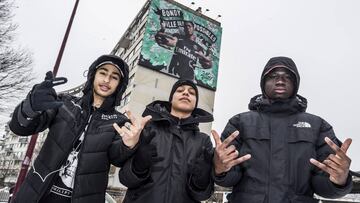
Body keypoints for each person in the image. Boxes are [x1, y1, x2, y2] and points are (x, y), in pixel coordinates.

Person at [9, 55, 151, 203]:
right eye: (103, 73)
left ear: (120, 85)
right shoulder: (64, 103)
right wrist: (31, 107)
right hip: (36, 195)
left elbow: (117, 158)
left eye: (114, 77)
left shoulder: (119, 121)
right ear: (93, 75)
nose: (107, 80)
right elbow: (21, 128)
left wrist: (129, 145)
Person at [212, 56, 353, 203]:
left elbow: (322, 184)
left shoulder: (318, 126)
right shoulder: (240, 122)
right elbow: (229, 178)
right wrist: (220, 168)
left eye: (287, 77)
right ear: (263, 83)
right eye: (273, 76)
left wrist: (339, 180)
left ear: (295, 84)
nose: (280, 80)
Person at [119, 79, 214, 203]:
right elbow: (125, 179)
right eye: (180, 90)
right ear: (171, 99)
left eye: (192, 93)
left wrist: (202, 178)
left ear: (195, 103)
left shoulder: (203, 141)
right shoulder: (147, 130)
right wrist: (139, 165)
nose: (186, 93)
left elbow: (202, 196)